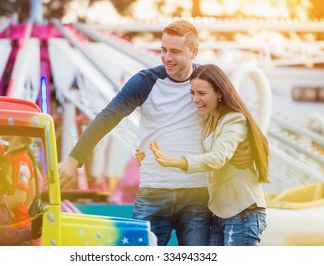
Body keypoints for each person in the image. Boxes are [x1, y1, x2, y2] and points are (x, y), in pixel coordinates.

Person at [58, 19, 250, 246]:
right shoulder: (145, 81)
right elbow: (108, 116)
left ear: (194, 52)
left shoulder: (207, 84)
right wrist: (73, 160)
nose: (167, 57)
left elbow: (234, 121)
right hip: (153, 192)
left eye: (175, 51)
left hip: (197, 194)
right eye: (163, 50)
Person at [149, 64, 269, 246]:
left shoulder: (234, 119)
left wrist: (176, 162)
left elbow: (217, 158)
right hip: (220, 213)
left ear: (220, 93)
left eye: (202, 94)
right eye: (192, 93)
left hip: (242, 213)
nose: (195, 99)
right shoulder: (208, 118)